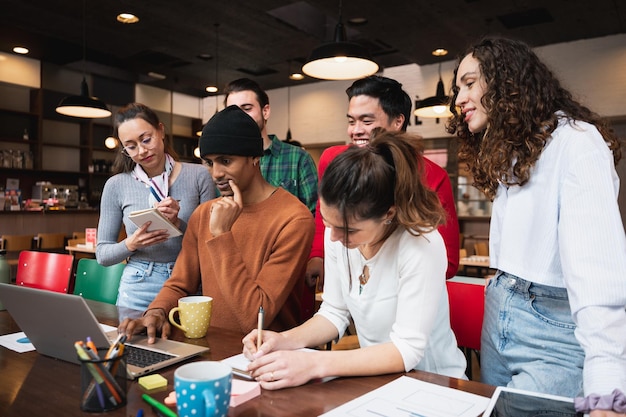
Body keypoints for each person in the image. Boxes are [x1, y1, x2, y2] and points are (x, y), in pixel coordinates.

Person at [447, 36, 626, 415]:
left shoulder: (577, 142)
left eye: (469, 83)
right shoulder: (512, 149)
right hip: (499, 307)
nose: (458, 99)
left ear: (507, 80)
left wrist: (607, 391)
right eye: (456, 89)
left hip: (553, 327)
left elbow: (599, 271)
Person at [241, 129, 467, 390]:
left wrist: (313, 364)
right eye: (328, 223)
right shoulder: (337, 231)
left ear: (388, 213)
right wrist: (282, 340)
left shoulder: (421, 245)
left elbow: (406, 350)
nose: (334, 238)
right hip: (379, 381)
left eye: (349, 230)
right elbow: (334, 312)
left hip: (433, 385)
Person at [119, 105, 315, 340]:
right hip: (210, 348)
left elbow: (255, 318)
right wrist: (156, 311)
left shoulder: (294, 218)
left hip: (267, 356)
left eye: (225, 160)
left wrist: (222, 235)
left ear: (254, 157)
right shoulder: (204, 214)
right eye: (210, 163)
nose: (216, 173)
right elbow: (180, 284)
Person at [306, 76, 459, 289]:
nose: (355, 130)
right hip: (345, 289)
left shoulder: (432, 175)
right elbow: (326, 217)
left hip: (402, 291)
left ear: (398, 121)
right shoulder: (333, 160)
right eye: (351, 121)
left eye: (367, 122)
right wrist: (318, 255)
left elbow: (448, 262)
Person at [96, 103, 215, 310]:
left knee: (187, 344)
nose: (142, 151)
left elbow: (211, 241)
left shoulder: (199, 175)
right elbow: (103, 255)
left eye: (146, 139)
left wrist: (179, 224)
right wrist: (131, 244)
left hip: (189, 280)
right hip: (138, 284)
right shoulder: (116, 185)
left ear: (161, 131)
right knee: (133, 343)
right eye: (131, 146)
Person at [223, 78, 318, 215]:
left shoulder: (298, 158)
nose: (240, 117)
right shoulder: (222, 162)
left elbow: (313, 215)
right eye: (233, 112)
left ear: (265, 111)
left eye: (247, 109)